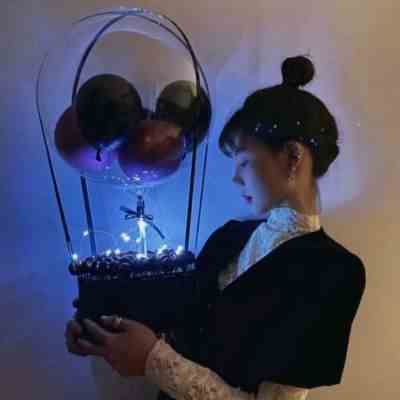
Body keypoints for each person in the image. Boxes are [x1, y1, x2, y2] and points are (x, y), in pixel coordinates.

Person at [65, 55, 366, 400]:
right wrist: (100, 331)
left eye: (244, 161)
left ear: (292, 156)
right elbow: (179, 327)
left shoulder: (332, 272)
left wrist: (153, 361)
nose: (236, 177)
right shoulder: (230, 238)